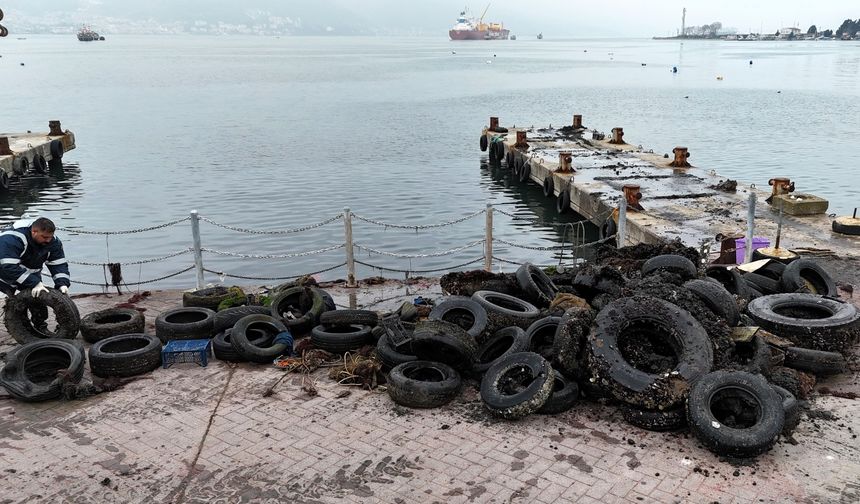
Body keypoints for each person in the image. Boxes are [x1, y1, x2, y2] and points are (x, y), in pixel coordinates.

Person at [0, 217, 71, 331]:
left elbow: (58, 264)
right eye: (44, 237)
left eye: (50, 237)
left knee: (38, 297)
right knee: (15, 303)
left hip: (28, 274)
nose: (48, 240)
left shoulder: (53, 242)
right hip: (3, 272)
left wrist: (62, 283)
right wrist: (34, 282)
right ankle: (20, 328)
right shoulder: (12, 238)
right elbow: (7, 266)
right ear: (34, 232)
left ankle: (40, 327)